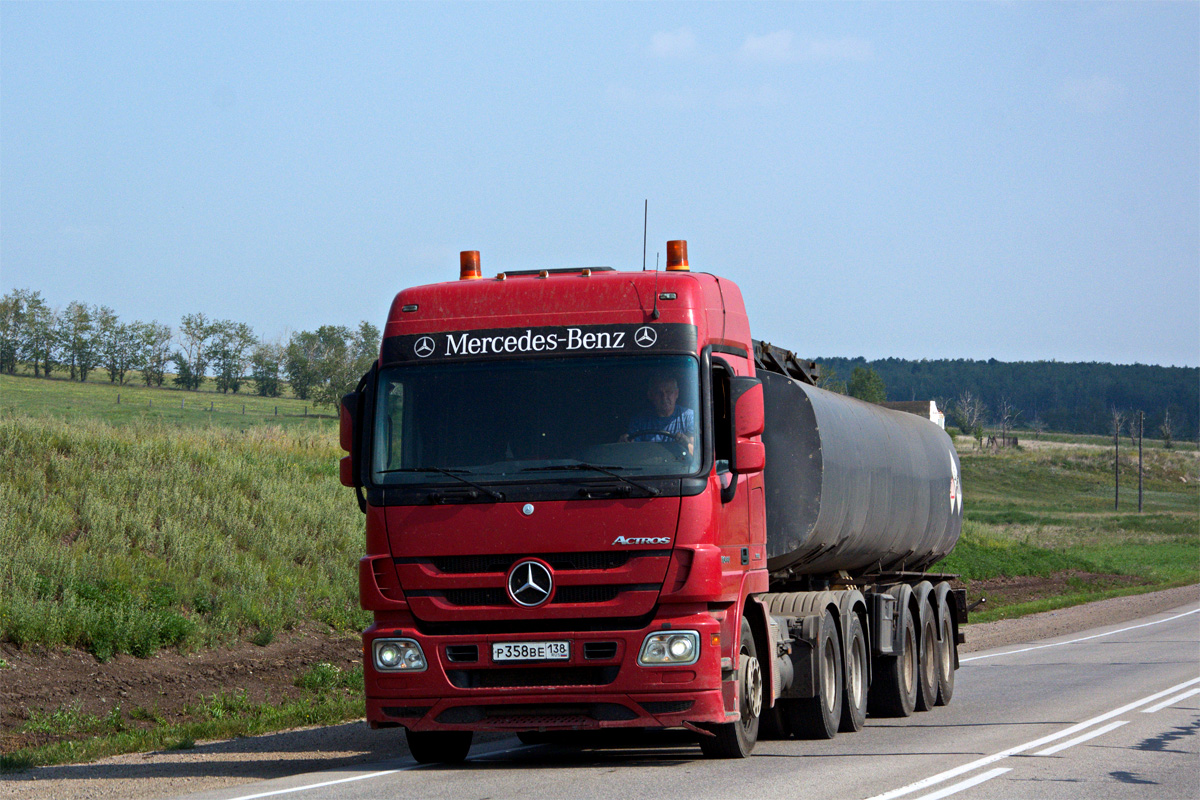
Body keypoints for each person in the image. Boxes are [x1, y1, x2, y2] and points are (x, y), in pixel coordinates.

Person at [619, 374, 695, 453]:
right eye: (658, 393)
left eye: (669, 392)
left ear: (676, 393)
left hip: (679, 464)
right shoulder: (639, 420)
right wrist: (625, 443)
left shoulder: (689, 417)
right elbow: (631, 451)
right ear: (650, 395)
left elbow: (697, 454)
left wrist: (686, 443)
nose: (664, 397)